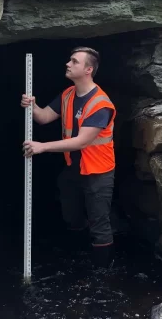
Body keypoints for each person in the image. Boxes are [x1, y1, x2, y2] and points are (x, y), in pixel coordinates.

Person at [21, 47, 116, 268]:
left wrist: (42, 147)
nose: (68, 64)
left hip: (98, 171)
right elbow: (44, 117)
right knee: (71, 212)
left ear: (88, 70)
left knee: (99, 222)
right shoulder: (68, 94)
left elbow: (82, 141)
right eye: (69, 60)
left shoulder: (101, 104)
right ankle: (77, 256)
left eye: (74, 61)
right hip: (74, 167)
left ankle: (103, 275)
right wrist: (33, 107)